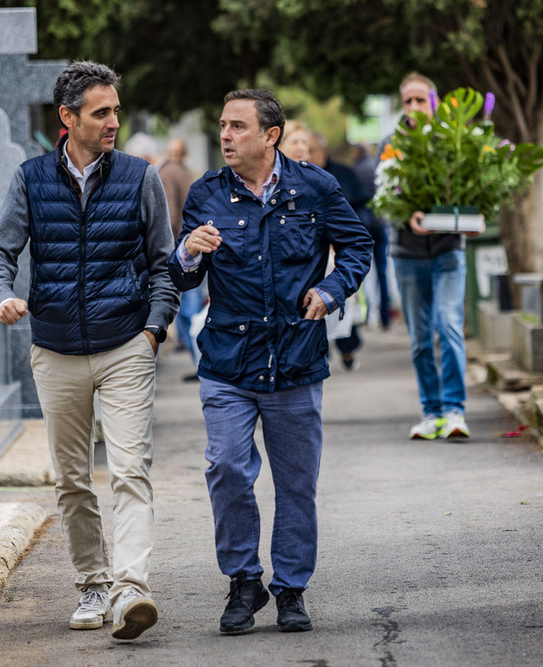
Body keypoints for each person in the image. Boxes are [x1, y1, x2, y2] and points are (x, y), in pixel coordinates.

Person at [0, 61, 178, 641]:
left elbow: (162, 262)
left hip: (125, 347)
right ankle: (93, 583)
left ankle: (131, 589)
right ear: (68, 119)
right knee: (72, 479)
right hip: (57, 349)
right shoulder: (31, 178)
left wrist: (152, 330)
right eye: (101, 112)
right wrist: (1, 298)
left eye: (116, 109)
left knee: (129, 470)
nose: (113, 121)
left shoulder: (140, 176)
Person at [169, 89, 372, 634]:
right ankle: (242, 581)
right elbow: (182, 273)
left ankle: (290, 590)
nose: (226, 136)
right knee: (227, 468)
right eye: (222, 125)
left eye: (237, 126)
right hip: (228, 361)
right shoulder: (207, 192)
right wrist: (190, 249)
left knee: (295, 482)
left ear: (270, 135)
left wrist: (330, 292)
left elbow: (358, 248)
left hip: (296, 359)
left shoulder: (316, 187)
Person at [381, 72, 471, 441]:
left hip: (449, 249)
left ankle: (454, 411)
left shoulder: (452, 141)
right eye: (409, 101)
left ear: (434, 102)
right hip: (408, 253)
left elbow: (469, 189)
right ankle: (431, 412)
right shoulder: (390, 145)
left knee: (448, 324)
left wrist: (470, 216)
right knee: (420, 338)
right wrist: (406, 217)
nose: (415, 107)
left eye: (422, 100)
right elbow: (383, 200)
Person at [307, 130, 368, 370]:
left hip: (338, 253)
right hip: (313, 256)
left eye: (311, 149)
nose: (308, 154)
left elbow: (363, 209)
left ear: (323, 151)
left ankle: (347, 349)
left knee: (341, 299)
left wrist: (345, 237)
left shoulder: (342, 175)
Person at [158, 137, 205, 378]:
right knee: (191, 308)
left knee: (188, 311)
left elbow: (171, 215)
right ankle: (201, 361)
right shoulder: (185, 172)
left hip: (181, 250)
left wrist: (169, 248)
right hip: (191, 246)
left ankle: (201, 362)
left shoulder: (167, 173)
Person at [351, 143, 392, 330]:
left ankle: (367, 315)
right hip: (380, 224)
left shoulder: (356, 171)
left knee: (363, 272)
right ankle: (386, 315)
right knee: (382, 273)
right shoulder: (374, 168)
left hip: (364, 228)